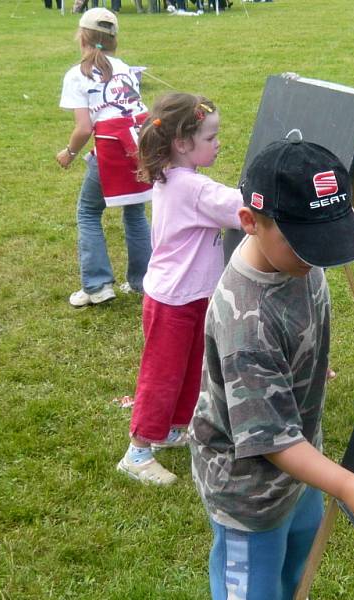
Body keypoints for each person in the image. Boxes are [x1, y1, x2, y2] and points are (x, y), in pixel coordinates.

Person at [189, 131, 354, 600]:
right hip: (250, 492)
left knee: (293, 580)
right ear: (249, 221)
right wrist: (346, 485)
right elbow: (269, 439)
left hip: (301, 469)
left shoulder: (297, 262)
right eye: (308, 244)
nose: (321, 256)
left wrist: (300, 366)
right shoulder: (246, 322)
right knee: (254, 590)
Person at [115, 93, 243, 486]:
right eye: (210, 136)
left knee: (191, 368)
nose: (218, 142)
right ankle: (137, 452)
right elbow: (237, 207)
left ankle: (171, 428)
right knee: (163, 374)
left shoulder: (173, 176)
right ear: (181, 143)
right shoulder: (192, 189)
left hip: (187, 295)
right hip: (174, 301)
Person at [57, 8, 153, 307]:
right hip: (138, 145)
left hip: (112, 149)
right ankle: (143, 280)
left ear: (82, 37)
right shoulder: (125, 67)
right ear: (114, 39)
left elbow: (84, 127)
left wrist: (69, 152)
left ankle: (97, 286)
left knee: (88, 212)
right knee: (135, 213)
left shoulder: (77, 74)